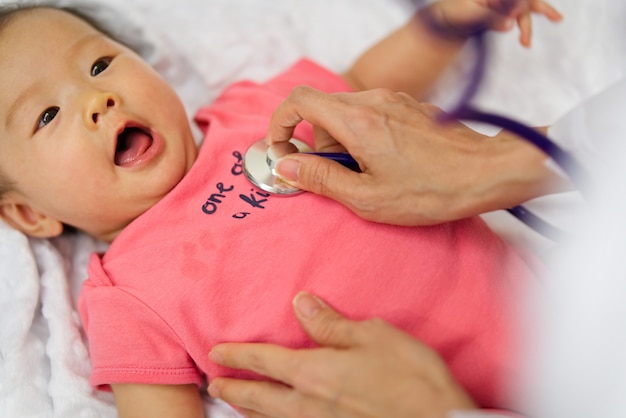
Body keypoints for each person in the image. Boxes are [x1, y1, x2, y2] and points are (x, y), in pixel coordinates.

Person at [0, 1, 561, 417]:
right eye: (46, 116)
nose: (99, 100)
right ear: (31, 216)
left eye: (99, 66)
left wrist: (445, 23)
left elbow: (366, 85)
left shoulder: (254, 109)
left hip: (559, 303)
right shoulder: (124, 296)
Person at [207, 80, 626, 418]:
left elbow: (365, 96)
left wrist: (442, 24)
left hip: (555, 290)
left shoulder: (247, 102)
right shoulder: (138, 282)